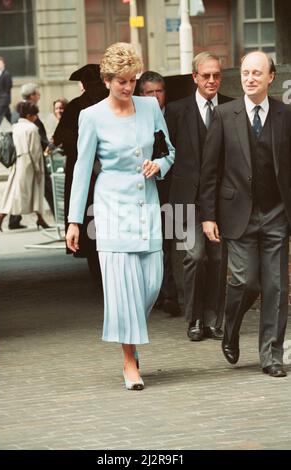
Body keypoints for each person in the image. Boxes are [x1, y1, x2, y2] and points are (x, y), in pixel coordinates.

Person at [66, 43, 175, 390]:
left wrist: (159, 165)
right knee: (123, 290)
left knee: (153, 283)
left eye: (132, 80)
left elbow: (168, 150)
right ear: (107, 80)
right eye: (121, 82)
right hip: (111, 210)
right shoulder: (92, 116)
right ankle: (130, 360)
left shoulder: (149, 107)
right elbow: (83, 170)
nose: (129, 88)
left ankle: (130, 331)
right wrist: (74, 221)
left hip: (147, 207)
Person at [200, 51, 291, 378]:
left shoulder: (285, 115)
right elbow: (209, 170)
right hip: (237, 214)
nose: (250, 78)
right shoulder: (225, 115)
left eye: (257, 73)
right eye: (245, 73)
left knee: (277, 286)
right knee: (243, 280)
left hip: (277, 215)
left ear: (270, 78)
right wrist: (208, 215)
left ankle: (271, 355)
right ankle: (231, 327)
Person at [165, 52, 231, 342]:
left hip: (222, 201)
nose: (212, 80)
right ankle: (193, 319)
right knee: (193, 256)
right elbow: (165, 154)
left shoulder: (231, 107)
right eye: (206, 75)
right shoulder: (176, 111)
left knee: (217, 259)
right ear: (195, 77)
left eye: (216, 75)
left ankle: (215, 319)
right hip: (184, 201)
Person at [53, 64, 108, 284]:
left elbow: (60, 137)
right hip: (87, 173)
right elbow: (62, 137)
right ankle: (98, 271)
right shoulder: (79, 106)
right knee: (89, 223)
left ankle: (97, 271)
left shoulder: (81, 105)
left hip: (94, 173)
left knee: (90, 223)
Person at [139, 71, 180, 316]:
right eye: (149, 92)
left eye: (159, 91)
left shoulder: (176, 114)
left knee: (175, 243)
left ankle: (172, 295)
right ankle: (161, 295)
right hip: (148, 191)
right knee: (154, 244)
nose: (155, 97)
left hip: (175, 190)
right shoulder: (136, 116)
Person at [0, 101, 47, 231]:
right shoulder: (32, 129)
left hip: (18, 161)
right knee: (26, 193)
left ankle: (40, 218)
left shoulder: (16, 127)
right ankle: (2, 214)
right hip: (29, 163)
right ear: (30, 115)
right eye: (34, 115)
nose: (36, 117)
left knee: (18, 192)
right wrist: (38, 168)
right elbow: (34, 150)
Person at [9, 83, 54, 230]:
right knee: (43, 186)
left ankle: (14, 220)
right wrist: (49, 145)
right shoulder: (25, 111)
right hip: (30, 156)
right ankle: (58, 215)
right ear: (32, 95)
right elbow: (32, 135)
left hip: (25, 157)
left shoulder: (23, 109)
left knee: (24, 188)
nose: (39, 96)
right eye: (37, 93)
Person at [0, 57, 12, 142]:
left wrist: (4, 98)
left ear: (3, 64)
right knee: (9, 117)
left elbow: (8, 87)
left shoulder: (6, 74)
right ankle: (18, 126)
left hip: (4, 99)